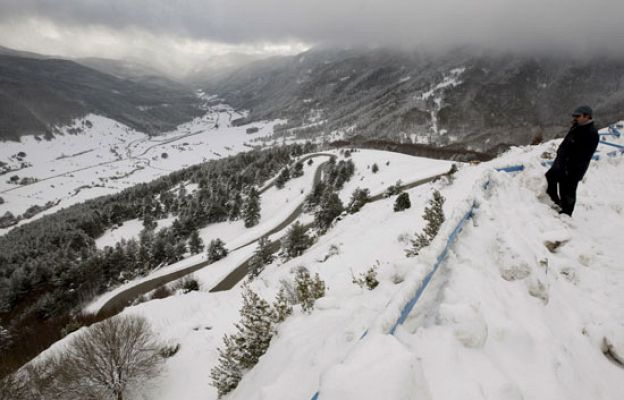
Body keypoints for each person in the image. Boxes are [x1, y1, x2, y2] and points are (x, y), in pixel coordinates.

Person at [545, 105, 599, 216]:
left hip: (572, 169)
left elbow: (583, 156)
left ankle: (566, 214)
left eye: (578, 116)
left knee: (568, 191)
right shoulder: (577, 126)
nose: (575, 118)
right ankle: (554, 201)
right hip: (562, 164)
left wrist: (569, 167)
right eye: (574, 115)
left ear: (587, 116)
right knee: (550, 177)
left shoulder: (591, 133)